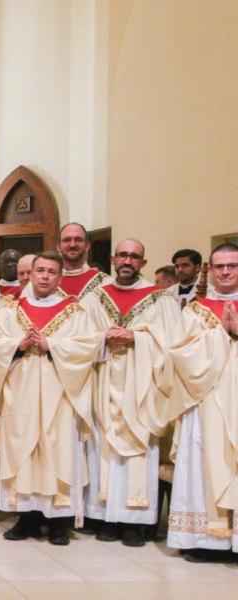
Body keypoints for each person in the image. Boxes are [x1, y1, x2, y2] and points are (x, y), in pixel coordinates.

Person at [0, 251, 98, 545]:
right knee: (24, 451)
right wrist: (18, 345)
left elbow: (87, 348)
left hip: (59, 394)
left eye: (51, 272)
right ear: (30, 274)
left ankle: (59, 521)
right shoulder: (10, 309)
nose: (45, 276)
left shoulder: (75, 312)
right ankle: (27, 518)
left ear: (60, 278)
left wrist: (51, 345)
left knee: (57, 450)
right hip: (20, 393)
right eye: (40, 271)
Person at [79, 239, 180, 547]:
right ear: (113, 259)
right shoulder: (94, 298)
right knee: (102, 448)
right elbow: (77, 336)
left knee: (139, 448)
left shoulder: (160, 300)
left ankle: (134, 522)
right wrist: (103, 338)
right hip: (102, 379)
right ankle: (105, 518)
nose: (127, 260)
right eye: (122, 255)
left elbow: (173, 343)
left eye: (134, 256)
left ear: (143, 263)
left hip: (142, 386)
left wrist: (136, 337)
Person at [167, 243, 238, 562]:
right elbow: (181, 355)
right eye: (220, 266)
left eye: (233, 265)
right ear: (210, 269)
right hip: (205, 400)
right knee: (204, 459)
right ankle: (203, 538)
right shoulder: (196, 310)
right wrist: (220, 333)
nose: (226, 271)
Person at [56, 223, 111, 299]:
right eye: (67, 240)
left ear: (87, 246)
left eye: (78, 240)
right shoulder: (47, 283)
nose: (72, 245)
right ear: (58, 247)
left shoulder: (105, 282)